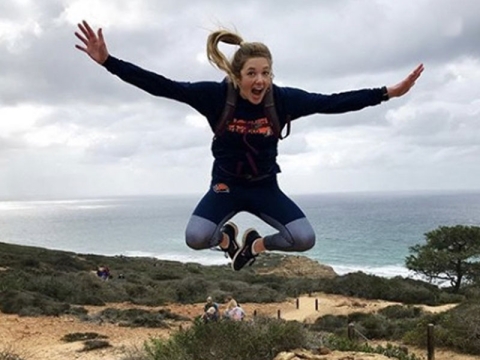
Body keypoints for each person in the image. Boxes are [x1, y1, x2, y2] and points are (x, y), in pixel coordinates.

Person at [75, 21, 424, 271]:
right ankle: (228, 240)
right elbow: (162, 86)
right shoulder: (215, 97)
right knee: (196, 238)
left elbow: (332, 101)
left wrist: (387, 93)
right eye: (253, 73)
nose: (260, 80)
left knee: (304, 238)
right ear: (237, 75)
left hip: (264, 189)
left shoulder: (282, 100)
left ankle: (253, 245)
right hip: (225, 187)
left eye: (266, 73)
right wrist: (109, 62)